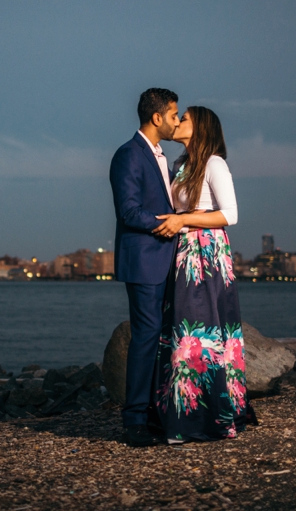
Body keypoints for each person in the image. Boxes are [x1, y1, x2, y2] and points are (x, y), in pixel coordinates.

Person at [151, 105, 256, 442]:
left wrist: (183, 220)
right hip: (183, 251)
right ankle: (184, 413)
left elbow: (230, 214)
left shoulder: (214, 163)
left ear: (201, 128)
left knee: (202, 330)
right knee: (184, 328)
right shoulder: (181, 165)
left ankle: (208, 417)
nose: (178, 122)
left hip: (206, 253)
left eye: (184, 119)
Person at [109, 88, 180, 447]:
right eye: (173, 115)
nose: (176, 121)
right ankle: (135, 419)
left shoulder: (162, 158)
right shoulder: (128, 154)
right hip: (143, 260)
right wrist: (167, 224)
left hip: (164, 259)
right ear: (157, 117)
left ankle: (154, 412)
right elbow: (129, 211)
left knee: (159, 337)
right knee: (146, 336)